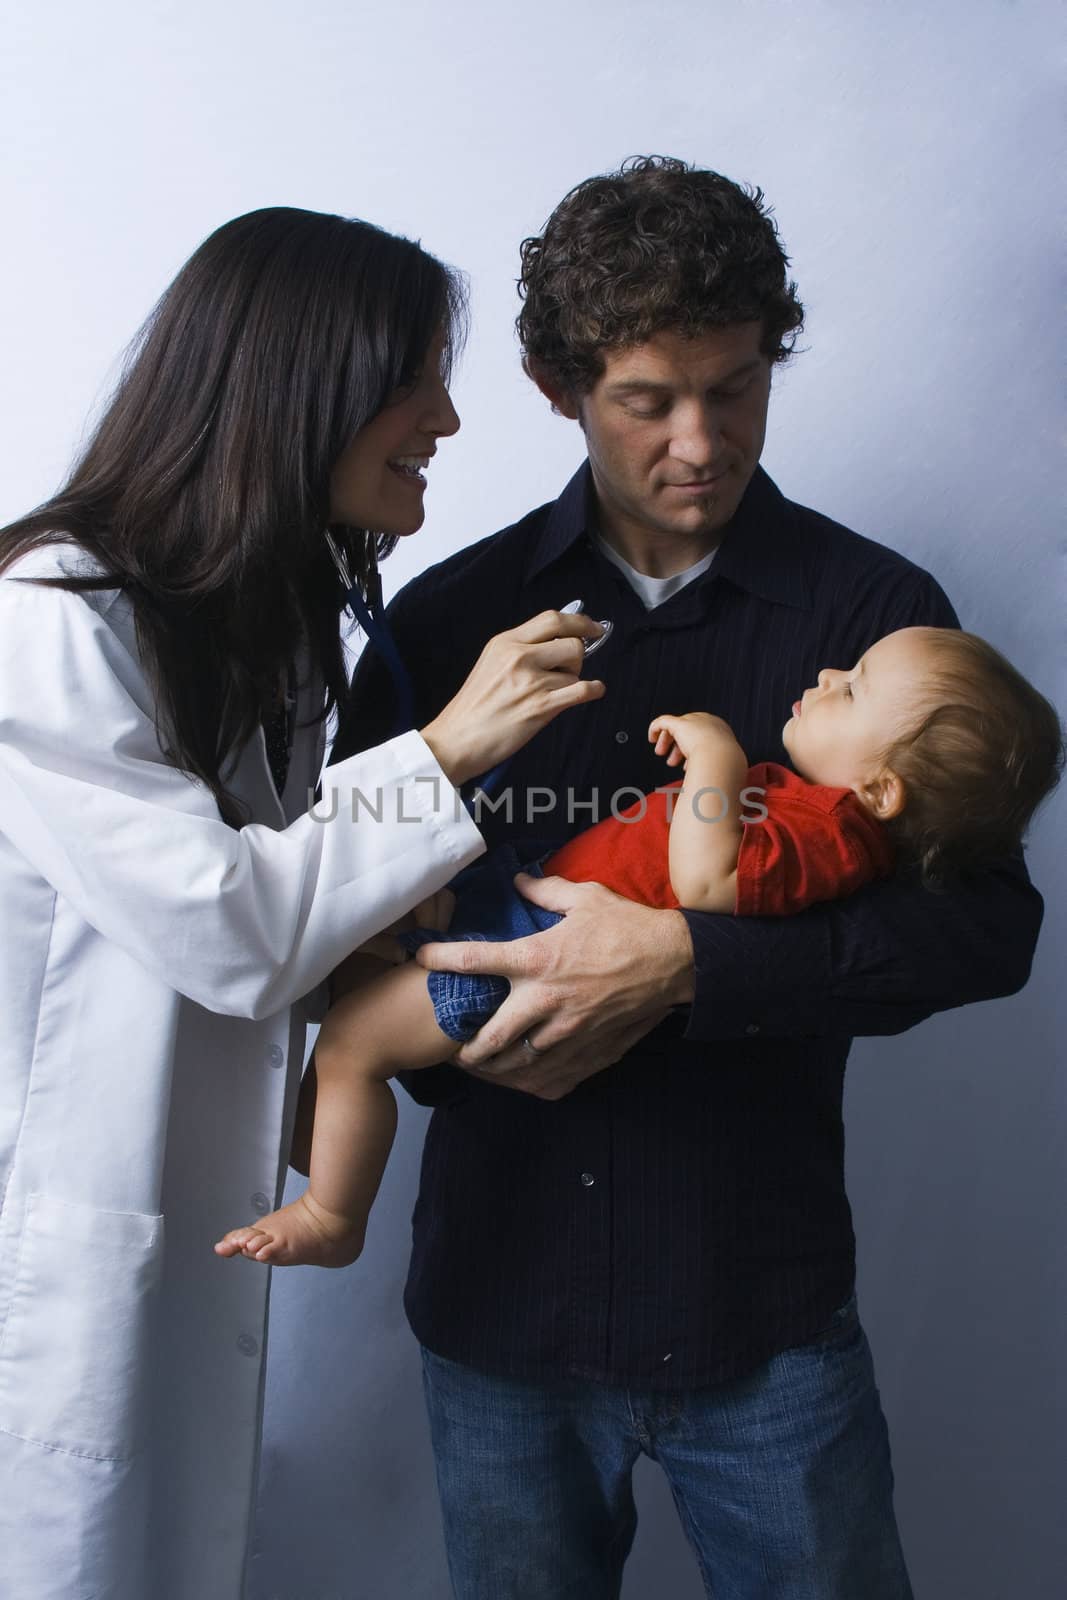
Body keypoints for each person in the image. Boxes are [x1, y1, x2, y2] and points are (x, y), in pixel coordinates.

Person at [329, 159, 1050, 1599]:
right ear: (554, 385)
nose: (700, 442)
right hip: (498, 1312)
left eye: (734, 389)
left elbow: (984, 929)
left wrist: (687, 970)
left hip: (760, 1319)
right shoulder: (449, 614)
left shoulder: (875, 621)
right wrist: (456, 1045)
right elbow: (326, 917)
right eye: (647, 400)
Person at [0, 207, 605, 1600]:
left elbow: (300, 928)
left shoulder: (253, 635)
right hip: (65, 1253)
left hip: (180, 1239)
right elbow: (233, 931)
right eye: (415, 378)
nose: (448, 419)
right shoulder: (57, 618)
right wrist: (447, 751)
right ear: (301, 387)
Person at [216, 625, 1062, 1269]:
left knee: (357, 1045)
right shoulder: (818, 808)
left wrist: (717, 757)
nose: (829, 675)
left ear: (880, 788)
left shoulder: (831, 835)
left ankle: (333, 1216)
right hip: (515, 903)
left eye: (853, 691)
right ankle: (311, 1138)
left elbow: (705, 884)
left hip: (527, 957)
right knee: (346, 961)